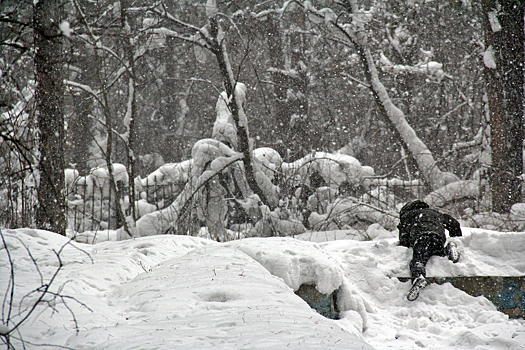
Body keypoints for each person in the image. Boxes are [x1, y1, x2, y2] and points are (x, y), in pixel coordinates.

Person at [397, 200, 462, 301]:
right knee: (438, 251)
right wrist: (457, 237)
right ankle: (449, 248)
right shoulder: (436, 213)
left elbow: (403, 240)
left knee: (418, 260)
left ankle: (418, 277)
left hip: (422, 238)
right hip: (438, 238)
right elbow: (453, 223)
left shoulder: (408, 216)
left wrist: (408, 242)